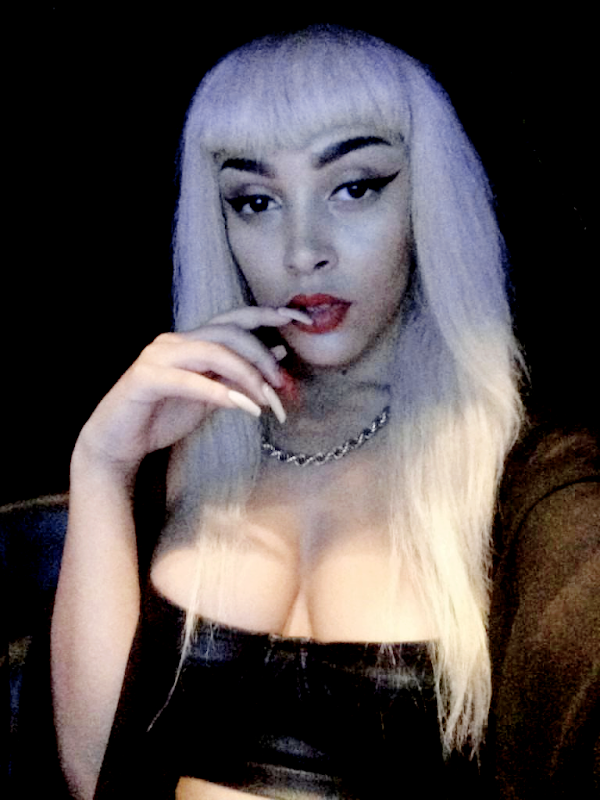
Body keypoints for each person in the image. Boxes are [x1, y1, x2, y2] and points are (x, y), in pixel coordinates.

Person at [49, 24, 598, 800]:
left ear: (428, 197)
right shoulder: (191, 440)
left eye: (354, 188)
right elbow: (92, 770)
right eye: (256, 201)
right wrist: (103, 466)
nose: (303, 249)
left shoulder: (532, 482)